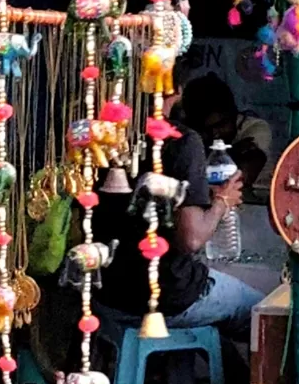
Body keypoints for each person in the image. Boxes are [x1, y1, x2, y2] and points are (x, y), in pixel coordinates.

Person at [94, 66, 262, 338]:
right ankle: (244, 381)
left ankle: (204, 375)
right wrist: (222, 201)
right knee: (262, 312)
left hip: (105, 294)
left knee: (219, 326)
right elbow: (192, 239)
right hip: (166, 297)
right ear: (178, 91)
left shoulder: (100, 136)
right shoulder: (182, 142)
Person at [177, 72, 271, 189]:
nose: (215, 134)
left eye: (221, 125)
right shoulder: (187, 136)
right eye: (206, 130)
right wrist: (231, 154)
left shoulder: (255, 128)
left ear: (234, 114)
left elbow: (241, 177)